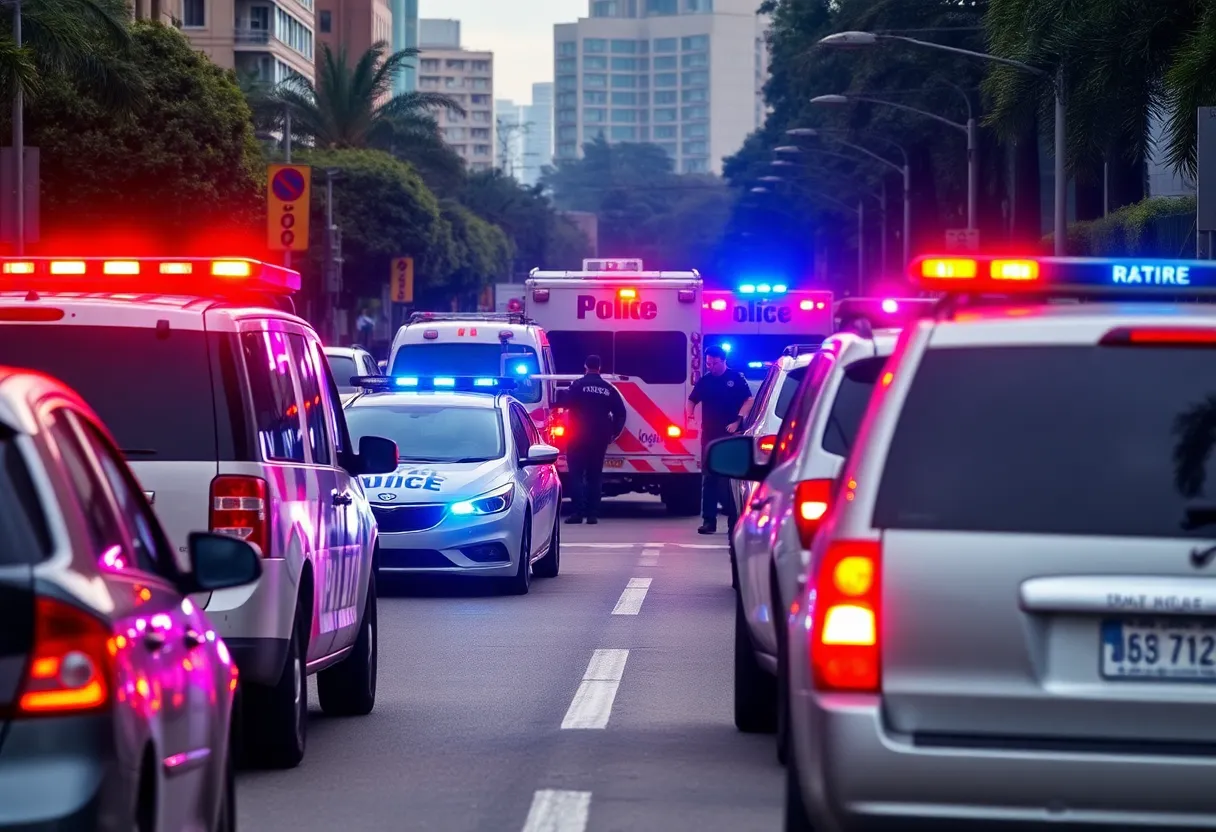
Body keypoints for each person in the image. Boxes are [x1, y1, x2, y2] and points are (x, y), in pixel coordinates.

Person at [688, 345, 752, 535]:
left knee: (731, 480)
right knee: (709, 479)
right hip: (709, 436)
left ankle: (734, 522)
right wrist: (690, 415)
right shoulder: (705, 381)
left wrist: (738, 420)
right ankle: (709, 521)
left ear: (723, 361)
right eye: (708, 363)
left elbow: (748, 399)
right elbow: (692, 399)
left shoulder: (735, 379)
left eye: (714, 363)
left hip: (730, 436)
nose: (711, 367)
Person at [563, 355, 627, 525]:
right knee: (595, 475)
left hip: (577, 435)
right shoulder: (608, 388)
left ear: (585, 366)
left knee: (576, 474)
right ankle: (592, 514)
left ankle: (577, 513)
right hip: (599, 436)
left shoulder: (577, 385)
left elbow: (566, 403)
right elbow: (621, 413)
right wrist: (613, 433)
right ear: (600, 367)